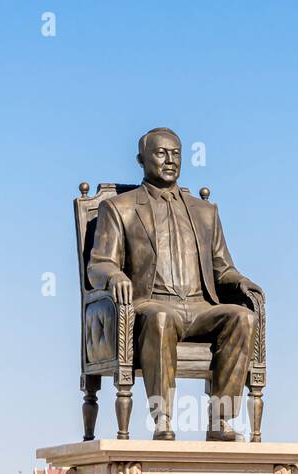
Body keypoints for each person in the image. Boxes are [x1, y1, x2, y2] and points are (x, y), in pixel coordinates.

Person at [87, 127, 266, 441]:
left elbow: (223, 269)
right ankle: (163, 421)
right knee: (161, 317)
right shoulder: (120, 208)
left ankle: (221, 422)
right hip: (150, 304)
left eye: (176, 153)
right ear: (141, 159)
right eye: (160, 153)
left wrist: (244, 283)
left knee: (243, 317)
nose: (170, 160)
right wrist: (115, 276)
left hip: (200, 307)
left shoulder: (205, 211)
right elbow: (99, 264)